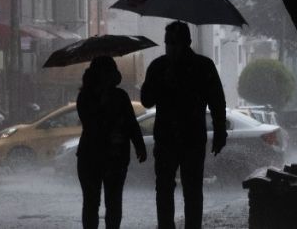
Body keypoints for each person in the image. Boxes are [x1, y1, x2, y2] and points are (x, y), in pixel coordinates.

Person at [140, 21, 227, 229]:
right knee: (164, 190)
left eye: (175, 43)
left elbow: (217, 102)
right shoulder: (159, 67)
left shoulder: (203, 67)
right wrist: (162, 83)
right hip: (168, 138)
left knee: (192, 190)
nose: (171, 47)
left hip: (191, 138)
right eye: (168, 43)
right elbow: (146, 100)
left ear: (187, 43)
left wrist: (220, 132)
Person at [77, 56, 147, 229]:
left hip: (111, 158)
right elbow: (91, 125)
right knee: (93, 203)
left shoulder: (120, 96)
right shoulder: (86, 97)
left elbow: (131, 124)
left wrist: (139, 145)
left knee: (112, 203)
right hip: (95, 158)